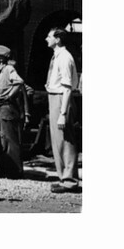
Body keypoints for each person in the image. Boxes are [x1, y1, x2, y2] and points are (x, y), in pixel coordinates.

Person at [45, 27, 80, 193]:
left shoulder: (64, 57)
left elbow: (66, 87)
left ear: (58, 39)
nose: (46, 39)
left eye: (49, 36)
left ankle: (70, 181)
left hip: (61, 99)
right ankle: (63, 178)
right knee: (58, 141)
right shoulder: (57, 57)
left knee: (66, 141)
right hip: (55, 97)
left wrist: (63, 113)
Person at [0, 45, 30, 179]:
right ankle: (2, 169)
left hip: (7, 108)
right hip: (0, 108)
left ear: (0, 58)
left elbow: (19, 82)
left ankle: (15, 172)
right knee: (0, 140)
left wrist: (9, 96)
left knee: (10, 140)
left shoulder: (9, 69)